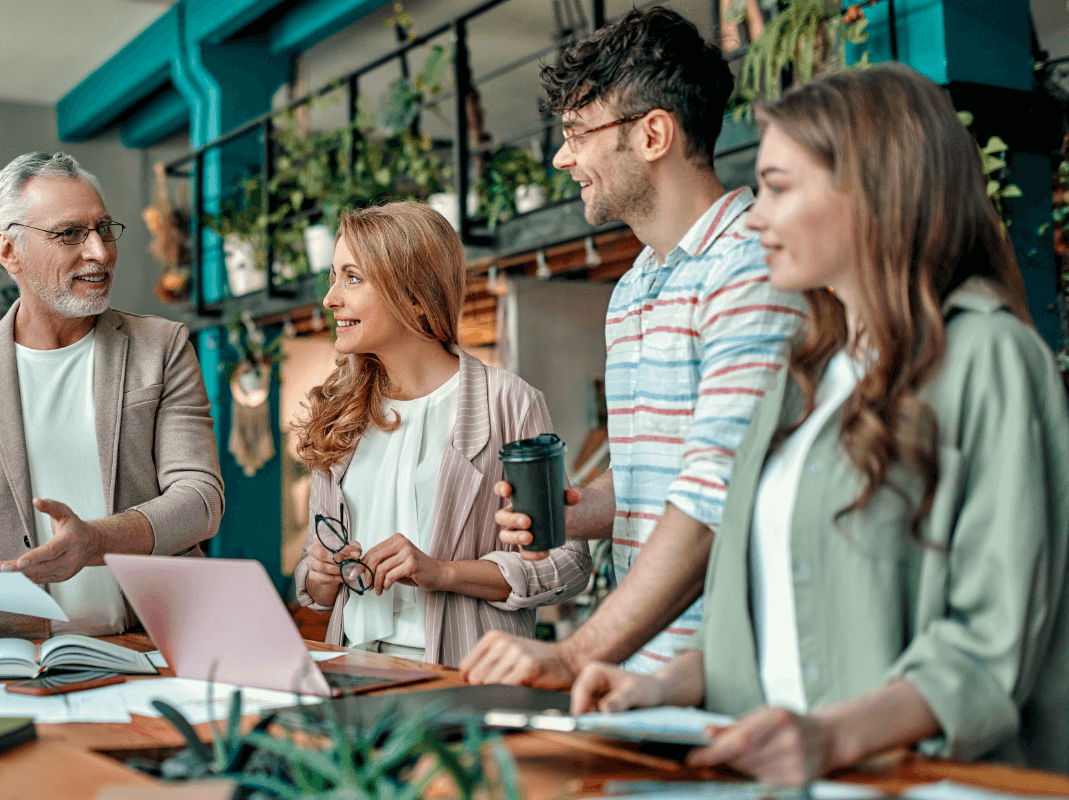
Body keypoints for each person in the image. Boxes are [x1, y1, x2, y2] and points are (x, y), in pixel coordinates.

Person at [570, 63, 1069, 784]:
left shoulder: (990, 357)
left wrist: (830, 737)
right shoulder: (807, 376)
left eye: (777, 188)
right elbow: (783, 610)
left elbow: (993, 641)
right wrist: (663, 687)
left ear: (872, 190)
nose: (758, 215)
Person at [459, 7, 806, 686]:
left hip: (733, 674)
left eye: (577, 134)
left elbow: (717, 496)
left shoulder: (751, 266)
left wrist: (572, 653)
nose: (563, 158)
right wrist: (586, 507)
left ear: (653, 134)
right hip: (639, 673)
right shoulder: (633, 289)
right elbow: (669, 469)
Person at [0, 152, 223, 642]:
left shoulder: (163, 347)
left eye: (104, 229)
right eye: (70, 234)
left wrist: (96, 541)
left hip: (160, 643)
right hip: (14, 653)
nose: (100, 252)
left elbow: (200, 500)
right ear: (10, 251)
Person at [290, 201, 592, 666]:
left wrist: (442, 572)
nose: (330, 298)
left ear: (414, 295)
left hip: (458, 679)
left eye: (352, 278)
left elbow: (567, 564)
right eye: (333, 277)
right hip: (349, 670)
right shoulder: (341, 411)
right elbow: (316, 583)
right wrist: (320, 574)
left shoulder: (507, 402)